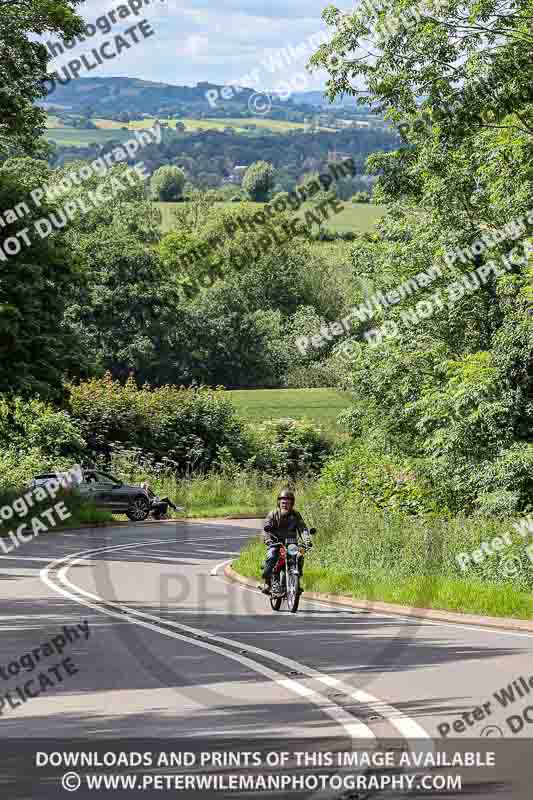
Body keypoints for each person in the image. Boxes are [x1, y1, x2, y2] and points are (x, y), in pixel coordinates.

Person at [261, 488, 309, 594]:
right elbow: (266, 529)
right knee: (271, 556)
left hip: (292, 544)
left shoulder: (296, 515)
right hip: (276, 543)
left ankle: (296, 581)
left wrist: (307, 540)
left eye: (287, 503)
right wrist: (268, 539)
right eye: (283, 503)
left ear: (292, 504)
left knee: (300, 556)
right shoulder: (273, 514)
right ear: (279, 503)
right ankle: (268, 582)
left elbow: (303, 528)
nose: (285, 505)